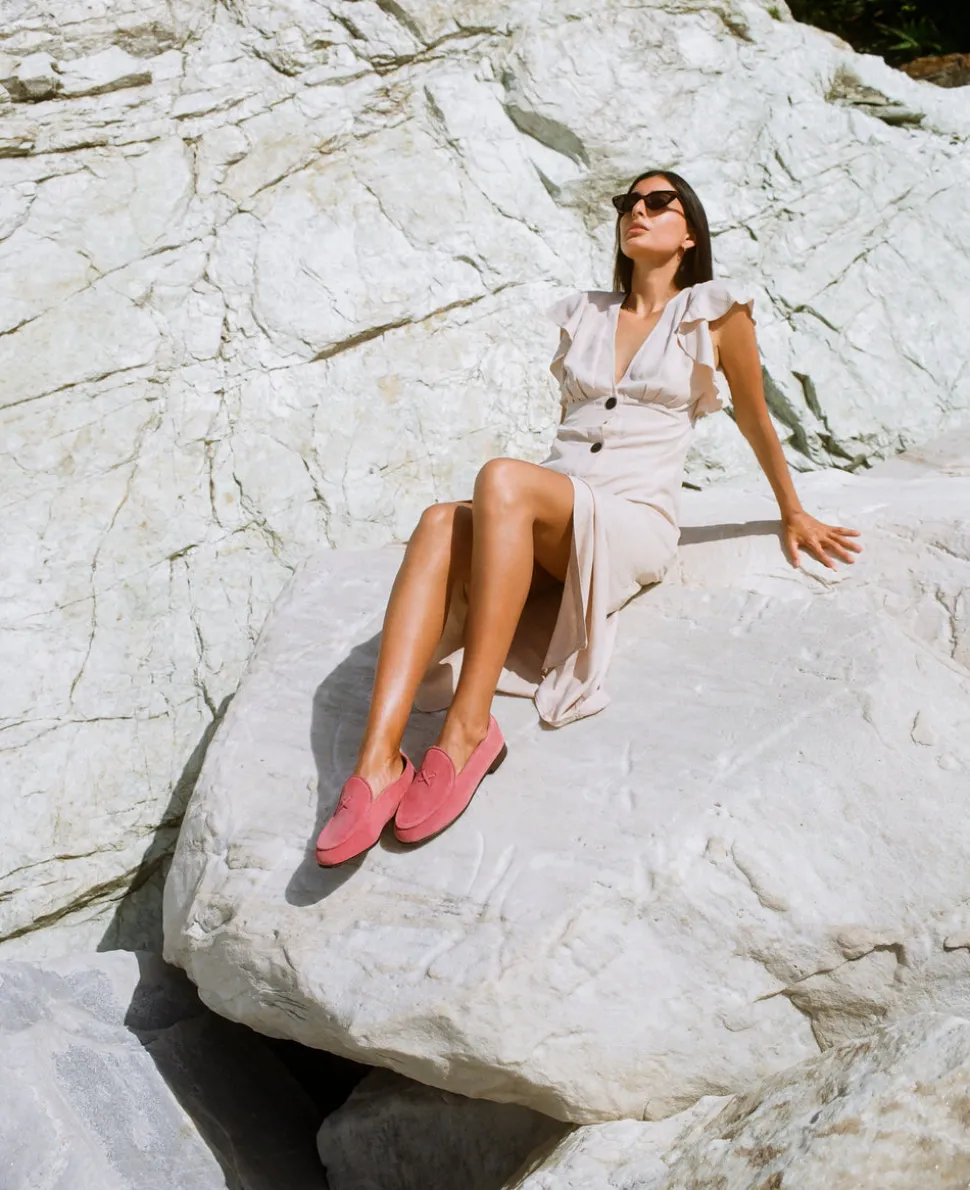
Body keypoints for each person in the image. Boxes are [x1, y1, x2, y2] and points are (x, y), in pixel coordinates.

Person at [315, 169, 863, 866]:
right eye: (628, 203)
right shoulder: (586, 314)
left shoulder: (716, 312)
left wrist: (793, 511)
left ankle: (468, 728)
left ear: (689, 233)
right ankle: (376, 764)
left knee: (500, 477)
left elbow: (754, 416)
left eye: (658, 202)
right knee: (436, 522)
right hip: (552, 513)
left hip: (631, 520)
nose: (638, 210)